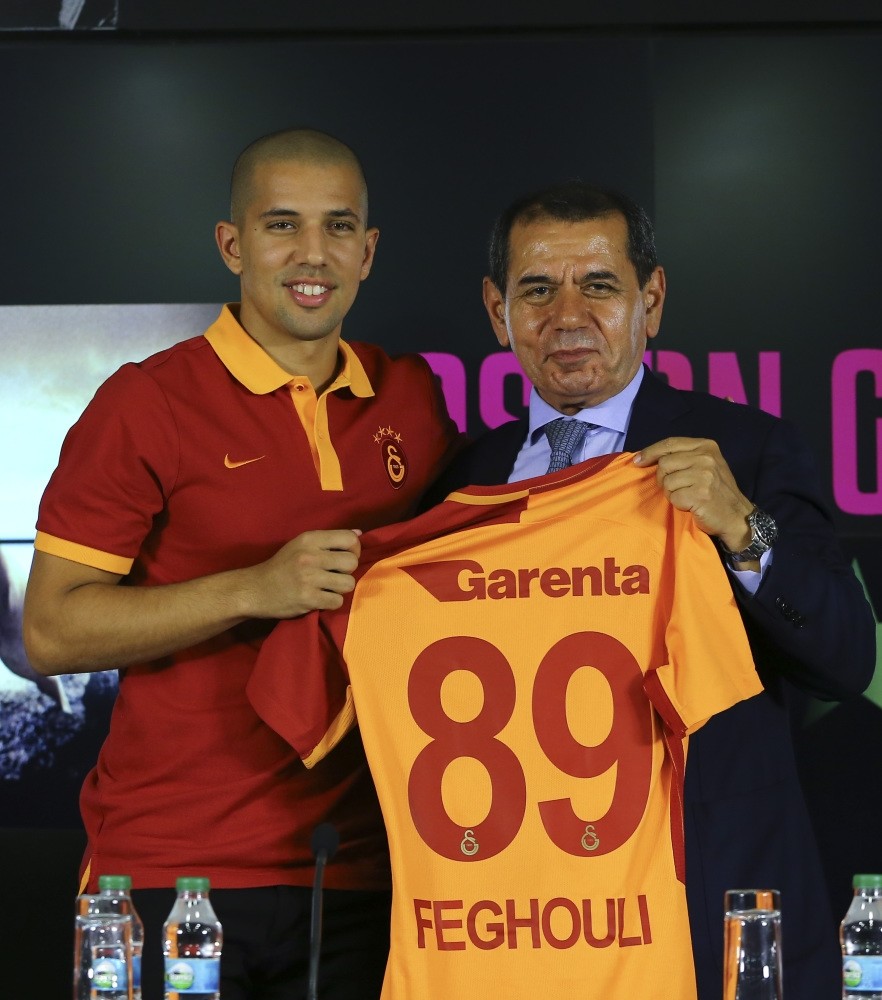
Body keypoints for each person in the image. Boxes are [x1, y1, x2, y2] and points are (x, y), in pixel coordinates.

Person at [23, 127, 461, 1000]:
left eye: (339, 228)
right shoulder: (146, 402)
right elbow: (51, 628)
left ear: (369, 252)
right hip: (172, 866)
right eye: (281, 225)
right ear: (232, 245)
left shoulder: (410, 400)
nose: (313, 254)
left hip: (363, 871)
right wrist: (257, 588)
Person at [424, 180, 876, 999]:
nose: (568, 315)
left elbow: (846, 658)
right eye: (537, 289)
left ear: (651, 300)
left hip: (707, 913)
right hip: (524, 923)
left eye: (598, 285)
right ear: (498, 312)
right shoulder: (459, 484)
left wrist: (744, 530)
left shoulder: (748, 450)